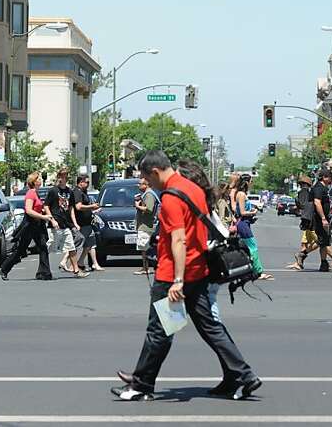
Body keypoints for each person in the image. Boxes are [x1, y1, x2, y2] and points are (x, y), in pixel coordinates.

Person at [111, 150, 261, 402]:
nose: (147, 183)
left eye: (146, 178)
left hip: (173, 276)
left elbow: (179, 239)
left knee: (160, 331)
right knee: (209, 327)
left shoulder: (170, 198)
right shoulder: (192, 189)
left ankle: (141, 385)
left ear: (155, 172)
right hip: (198, 271)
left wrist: (177, 280)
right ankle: (244, 375)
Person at [0, 172, 54, 281]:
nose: (40, 180)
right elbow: (29, 210)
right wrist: (43, 217)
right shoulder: (30, 193)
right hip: (29, 224)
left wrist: (43, 211)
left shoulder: (36, 193)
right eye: (38, 179)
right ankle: (4, 269)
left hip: (38, 225)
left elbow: (37, 207)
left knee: (43, 247)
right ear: (34, 181)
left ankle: (44, 273)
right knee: (21, 250)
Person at [45, 169, 87, 278]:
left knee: (71, 247)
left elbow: (71, 208)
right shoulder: (53, 191)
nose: (62, 178)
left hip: (65, 224)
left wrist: (74, 223)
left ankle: (76, 271)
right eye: (61, 176)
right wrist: (52, 220)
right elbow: (46, 206)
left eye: (64, 176)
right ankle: (44, 269)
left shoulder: (69, 192)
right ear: (58, 177)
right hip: (55, 225)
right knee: (48, 248)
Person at [232, 176, 272, 281]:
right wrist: (253, 212)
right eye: (251, 181)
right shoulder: (241, 194)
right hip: (243, 224)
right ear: (246, 182)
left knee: (246, 247)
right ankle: (258, 272)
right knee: (252, 246)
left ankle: (247, 270)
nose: (252, 183)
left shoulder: (243, 194)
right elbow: (242, 212)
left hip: (246, 222)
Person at [73, 174, 104, 271]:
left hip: (88, 223)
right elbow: (78, 207)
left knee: (90, 244)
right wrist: (92, 207)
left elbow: (86, 207)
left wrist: (93, 210)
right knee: (76, 244)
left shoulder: (84, 192)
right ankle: (66, 262)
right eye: (86, 182)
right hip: (81, 223)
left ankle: (87, 263)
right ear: (80, 182)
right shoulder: (77, 192)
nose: (88, 184)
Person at [311, 169, 332, 272]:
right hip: (320, 219)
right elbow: (317, 202)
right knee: (322, 241)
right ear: (324, 177)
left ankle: (324, 263)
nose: (331, 179)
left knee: (323, 241)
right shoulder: (318, 188)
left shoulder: (324, 188)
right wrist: (323, 218)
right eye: (330, 177)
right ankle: (302, 255)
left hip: (325, 219)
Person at [290, 175, 319, 271]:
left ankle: (300, 259)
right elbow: (305, 205)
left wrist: (297, 205)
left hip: (307, 220)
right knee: (320, 241)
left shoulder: (304, 192)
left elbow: (302, 205)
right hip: (310, 220)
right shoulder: (306, 192)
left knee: (306, 242)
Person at [134, 176, 160, 276]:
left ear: (146, 185)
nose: (138, 185)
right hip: (144, 225)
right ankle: (145, 267)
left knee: (144, 247)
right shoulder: (146, 194)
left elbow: (148, 209)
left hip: (146, 226)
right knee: (144, 247)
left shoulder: (149, 195)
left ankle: (146, 268)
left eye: (140, 184)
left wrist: (137, 206)